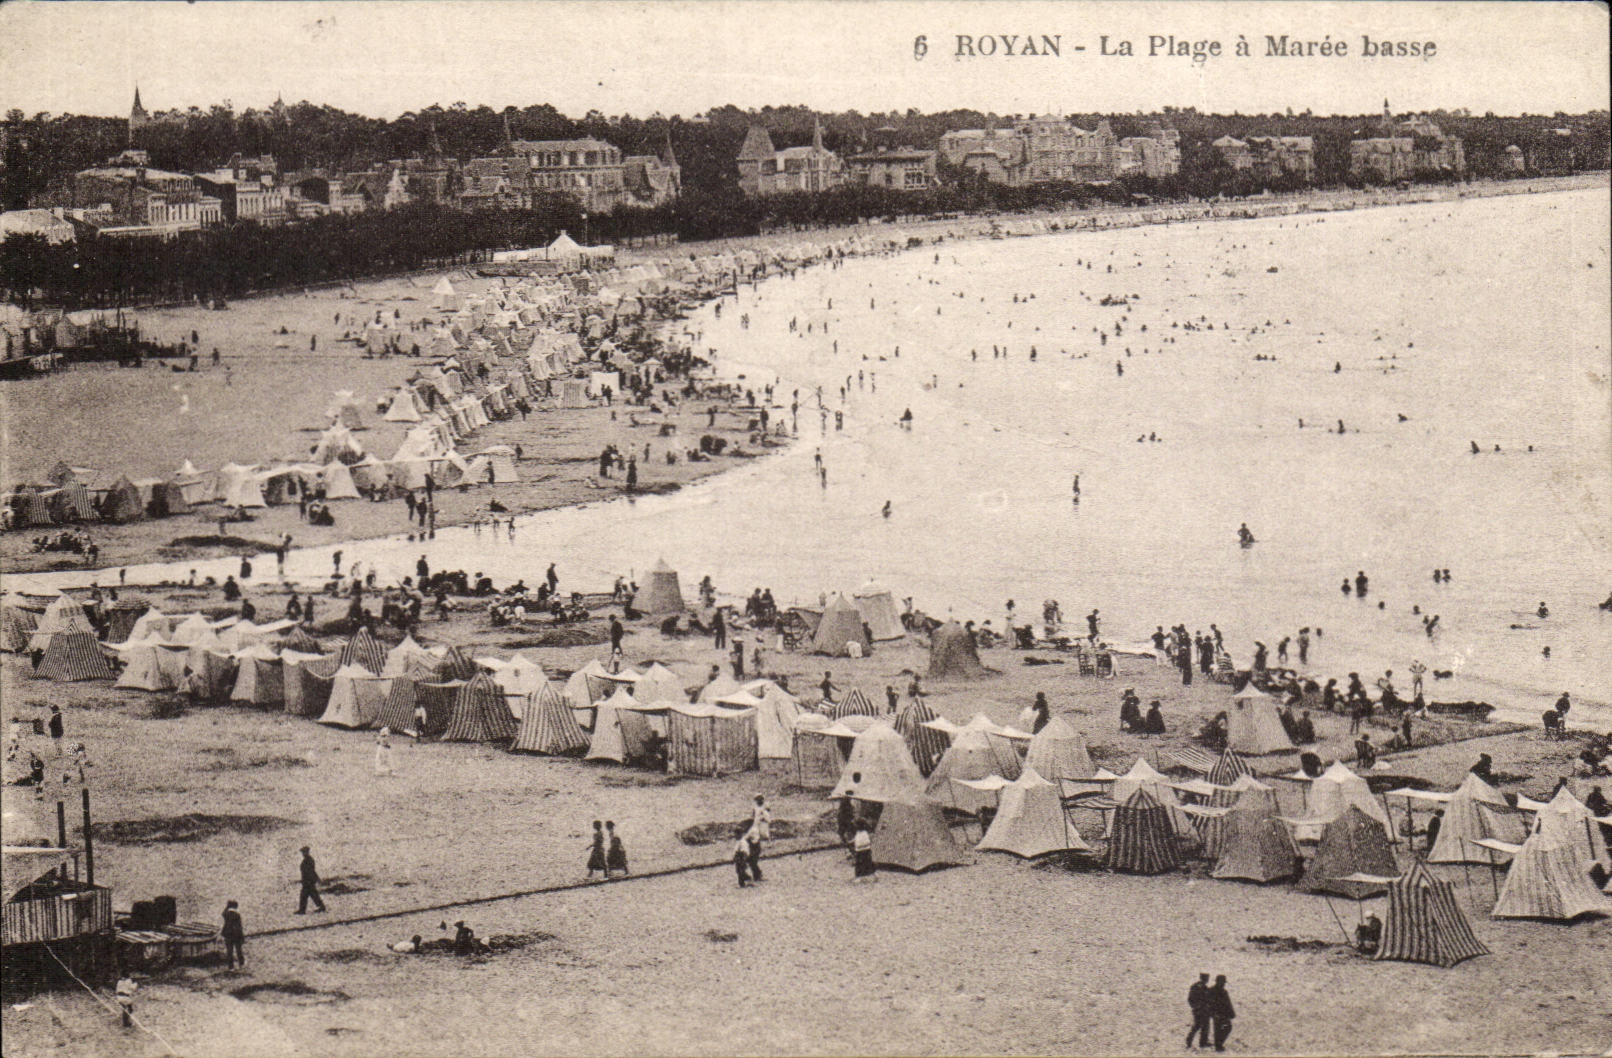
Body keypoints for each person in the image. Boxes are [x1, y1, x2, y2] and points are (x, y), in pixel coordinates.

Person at [1207, 975, 1235, 1052]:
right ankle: (1218, 1045)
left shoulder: (1224, 991)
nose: (1223, 984)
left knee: (1228, 1027)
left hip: (1224, 1013)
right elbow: (1208, 1003)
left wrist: (1231, 1013)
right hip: (1216, 1013)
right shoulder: (1211, 991)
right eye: (1222, 982)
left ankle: (1219, 1043)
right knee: (1218, 1029)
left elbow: (1228, 1003)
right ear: (1218, 982)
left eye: (1224, 982)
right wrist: (1212, 1013)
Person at [296, 846, 326, 914]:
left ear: (307, 852)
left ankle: (302, 910)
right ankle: (321, 907)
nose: (303, 854)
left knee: (306, 895)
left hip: (309, 881)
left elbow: (311, 871)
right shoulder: (307, 860)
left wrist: (315, 879)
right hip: (307, 881)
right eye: (303, 852)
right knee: (311, 895)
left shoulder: (309, 860)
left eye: (304, 852)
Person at [1186, 973, 1212, 1050]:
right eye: (1206, 978)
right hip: (1199, 1010)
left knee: (1205, 1026)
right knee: (1197, 1025)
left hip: (1204, 1010)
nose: (1207, 979)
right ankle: (1189, 1040)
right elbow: (1190, 999)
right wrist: (1196, 1007)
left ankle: (1203, 1042)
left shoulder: (1204, 987)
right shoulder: (1197, 987)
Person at [221, 900, 246, 969]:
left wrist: (227, 906)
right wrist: (242, 937)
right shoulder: (237, 915)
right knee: (239, 950)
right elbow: (239, 926)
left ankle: (231, 967)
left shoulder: (226, 914)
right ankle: (241, 963)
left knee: (229, 951)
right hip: (236, 935)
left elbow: (222, 913)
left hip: (228, 934)